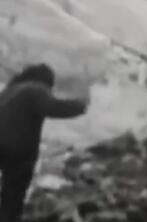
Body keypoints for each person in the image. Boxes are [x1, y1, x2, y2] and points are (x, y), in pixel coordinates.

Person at [0, 64, 88, 222]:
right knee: (13, 193)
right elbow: (53, 107)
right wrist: (80, 105)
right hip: (18, 150)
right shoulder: (36, 89)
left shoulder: (9, 91)